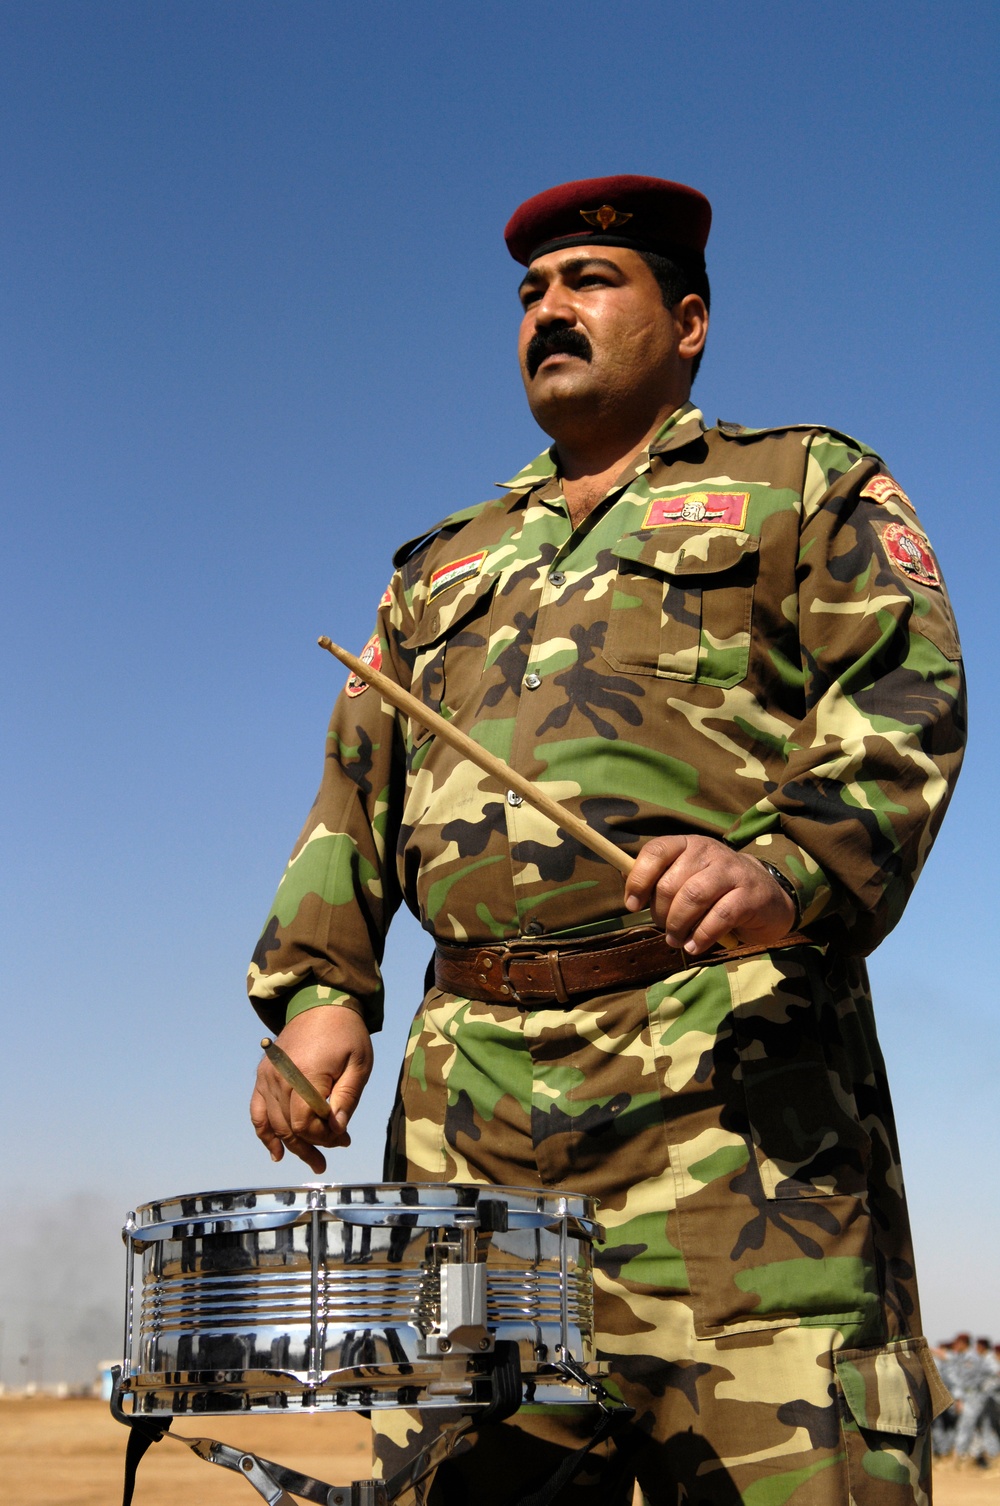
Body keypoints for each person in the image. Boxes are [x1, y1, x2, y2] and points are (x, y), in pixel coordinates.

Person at [248, 175, 966, 1505]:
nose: (550, 310)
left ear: (687, 321)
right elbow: (352, 798)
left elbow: (902, 693)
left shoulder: (800, 485)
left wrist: (785, 866)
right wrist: (315, 990)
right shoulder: (439, 568)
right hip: (471, 1144)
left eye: (591, 282)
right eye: (532, 292)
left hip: (734, 1122)